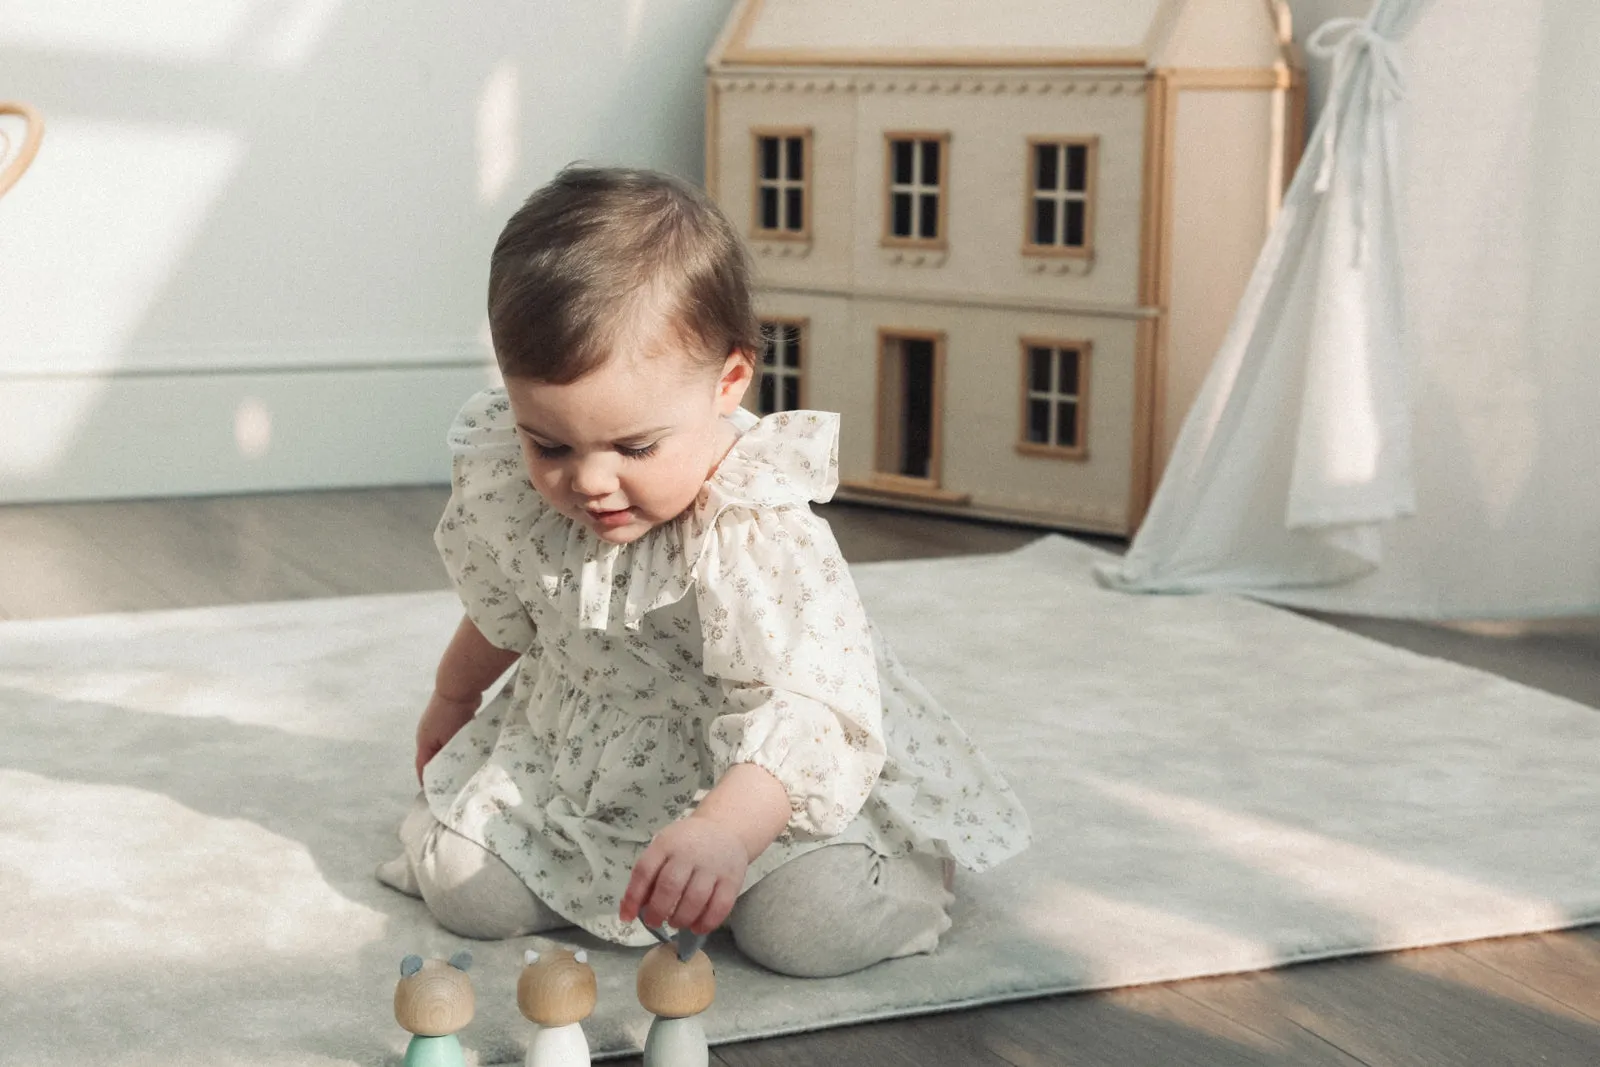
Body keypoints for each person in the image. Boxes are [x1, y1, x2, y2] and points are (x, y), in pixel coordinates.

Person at [377, 165, 1030, 978]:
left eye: (635, 447)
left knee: (804, 929)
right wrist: (453, 696)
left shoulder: (754, 528)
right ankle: (527, 836)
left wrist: (725, 830)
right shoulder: (534, 492)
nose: (587, 481)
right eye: (549, 443)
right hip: (589, 752)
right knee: (469, 896)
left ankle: (904, 869)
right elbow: (510, 602)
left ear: (728, 382)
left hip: (759, 776)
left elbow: (809, 709)